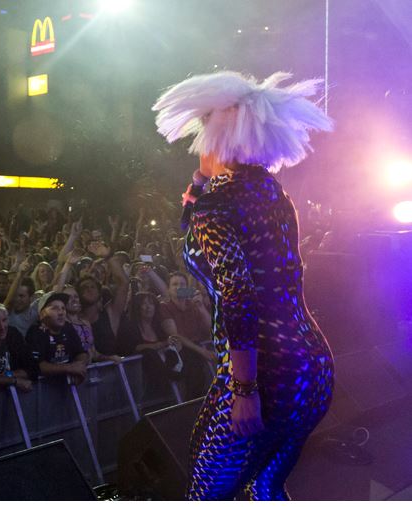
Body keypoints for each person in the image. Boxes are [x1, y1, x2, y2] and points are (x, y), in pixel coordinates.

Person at [152, 70, 334, 500]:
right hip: (312, 365)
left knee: (205, 495)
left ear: (216, 136)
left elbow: (238, 295)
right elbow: (200, 234)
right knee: (264, 487)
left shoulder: (217, 203)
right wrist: (197, 187)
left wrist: (245, 391)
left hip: (268, 373)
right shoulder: (271, 191)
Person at [26, 292, 90, 385]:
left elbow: (81, 353)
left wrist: (79, 366)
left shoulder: (68, 328)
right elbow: (39, 366)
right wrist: (70, 368)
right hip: (43, 390)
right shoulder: (35, 332)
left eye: (63, 308)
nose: (61, 312)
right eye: (54, 308)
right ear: (42, 314)